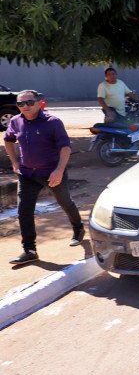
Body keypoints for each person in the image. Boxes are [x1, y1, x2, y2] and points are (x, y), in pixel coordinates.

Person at [4, 90, 84, 264]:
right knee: (24, 211)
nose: (25, 106)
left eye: (29, 102)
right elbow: (8, 139)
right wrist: (15, 162)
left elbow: (65, 148)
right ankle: (30, 250)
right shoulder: (16, 121)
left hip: (52, 173)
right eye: (20, 104)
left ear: (39, 102)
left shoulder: (52, 122)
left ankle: (78, 229)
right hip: (27, 174)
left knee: (65, 202)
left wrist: (59, 170)